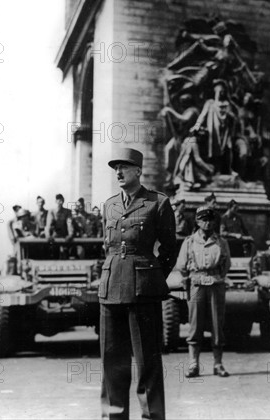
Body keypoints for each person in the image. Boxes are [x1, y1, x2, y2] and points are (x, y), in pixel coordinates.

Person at [99, 147, 176, 420]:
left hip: (143, 291)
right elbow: (105, 247)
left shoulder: (158, 203)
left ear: (138, 171)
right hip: (110, 289)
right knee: (112, 364)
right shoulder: (109, 205)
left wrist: (151, 276)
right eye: (115, 168)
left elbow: (169, 249)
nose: (118, 172)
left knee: (148, 364)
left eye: (124, 167)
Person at [173, 205, 231, 378]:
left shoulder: (221, 242)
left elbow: (226, 264)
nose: (207, 223)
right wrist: (190, 278)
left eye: (210, 220)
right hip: (196, 284)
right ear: (197, 221)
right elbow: (182, 265)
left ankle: (218, 363)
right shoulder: (189, 242)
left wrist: (216, 276)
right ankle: (193, 364)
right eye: (204, 220)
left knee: (216, 324)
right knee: (195, 324)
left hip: (215, 284)